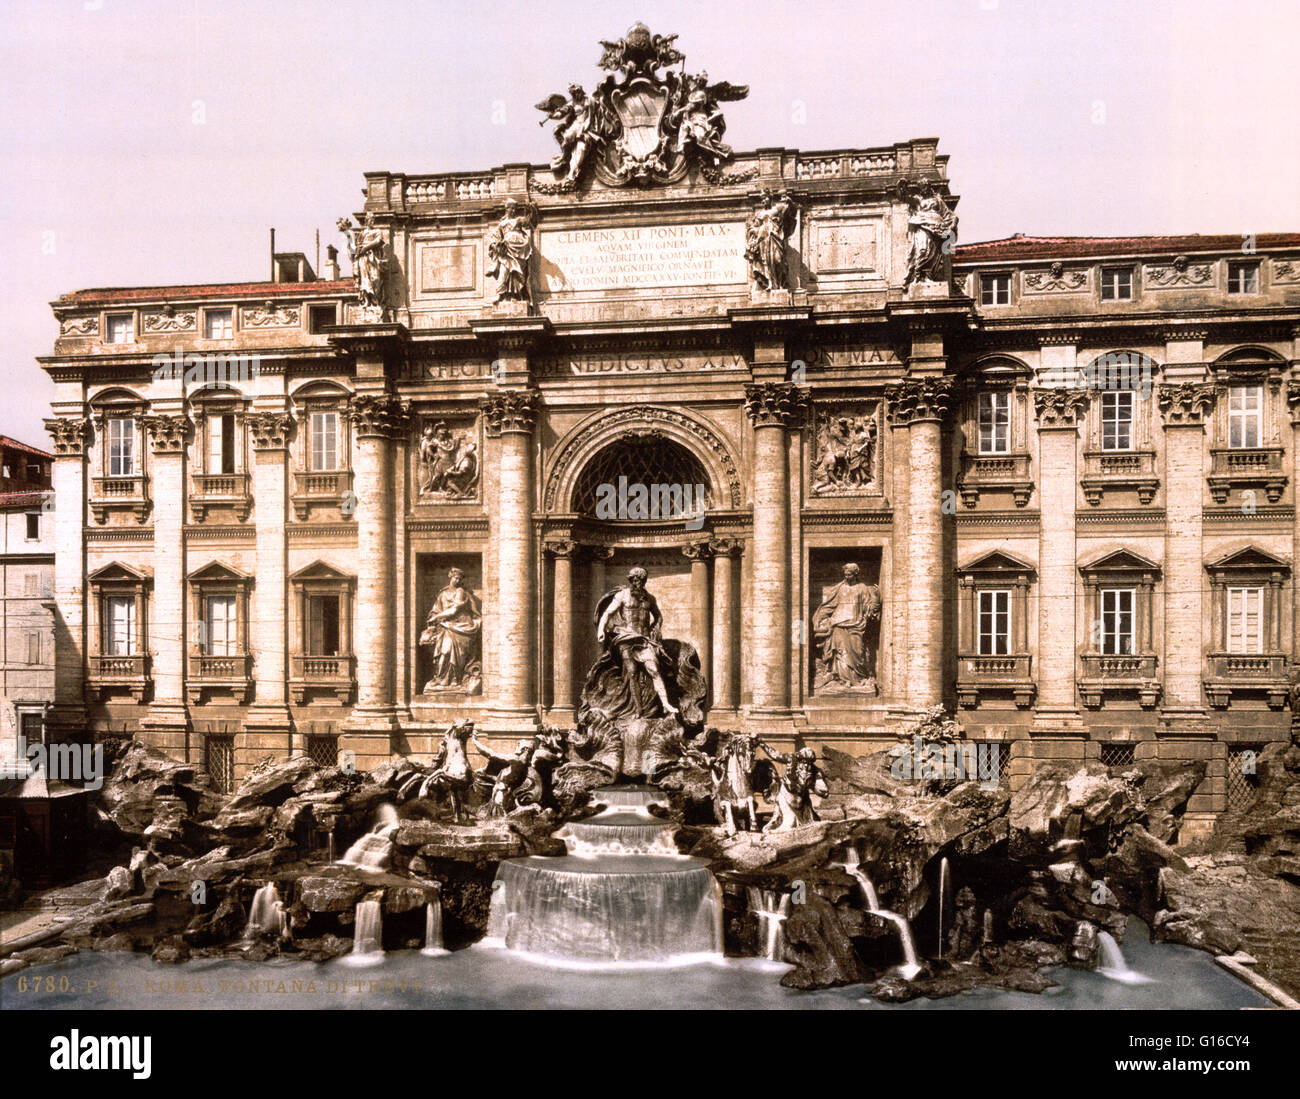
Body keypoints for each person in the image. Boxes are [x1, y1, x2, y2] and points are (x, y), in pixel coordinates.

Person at [596, 567, 678, 716]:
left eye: (639, 580)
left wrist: (656, 628)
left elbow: (658, 616)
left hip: (644, 639)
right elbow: (607, 613)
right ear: (630, 580)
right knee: (632, 672)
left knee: (654, 669)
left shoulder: (650, 598)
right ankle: (638, 709)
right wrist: (601, 630)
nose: (636, 582)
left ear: (644, 581)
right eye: (633, 580)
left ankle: (666, 704)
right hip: (626, 637)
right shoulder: (622, 595)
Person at [812, 563, 881, 688]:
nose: (847, 576)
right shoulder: (840, 588)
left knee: (857, 652)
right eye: (845, 574)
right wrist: (821, 617)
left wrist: (875, 599)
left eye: (849, 574)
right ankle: (841, 680)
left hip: (856, 625)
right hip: (838, 624)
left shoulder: (862, 588)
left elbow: (869, 608)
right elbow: (829, 605)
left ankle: (858, 679)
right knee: (839, 653)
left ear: (855, 574)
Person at [420, 569, 481, 689]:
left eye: (460, 579)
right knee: (444, 653)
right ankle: (441, 678)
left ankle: (454, 679)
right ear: (450, 577)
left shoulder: (460, 592)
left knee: (449, 652)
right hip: (445, 627)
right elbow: (436, 609)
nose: (457, 580)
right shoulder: (442, 594)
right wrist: (433, 617)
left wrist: (437, 616)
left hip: (460, 627)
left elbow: (454, 611)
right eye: (455, 578)